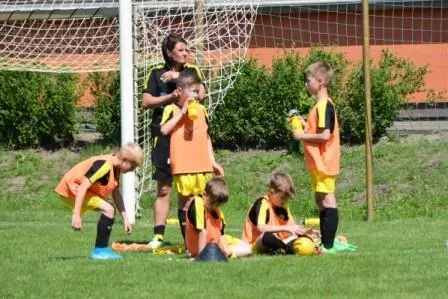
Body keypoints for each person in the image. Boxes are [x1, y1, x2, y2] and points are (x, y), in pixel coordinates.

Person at [142, 33, 205, 249]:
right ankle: (158, 236)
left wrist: (177, 80)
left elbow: (202, 93)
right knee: (164, 188)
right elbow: (146, 102)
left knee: (187, 189)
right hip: (164, 133)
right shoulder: (156, 73)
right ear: (169, 53)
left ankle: (190, 238)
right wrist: (169, 96)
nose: (186, 53)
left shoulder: (192, 72)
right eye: (181, 50)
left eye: (187, 49)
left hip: (188, 136)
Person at [160, 68, 224, 244]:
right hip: (183, 165)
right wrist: (183, 112)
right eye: (192, 91)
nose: (196, 96)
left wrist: (213, 161)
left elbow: (206, 137)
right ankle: (190, 243)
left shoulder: (202, 110)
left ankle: (211, 238)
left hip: (203, 164)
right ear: (180, 91)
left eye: (197, 91)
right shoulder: (171, 109)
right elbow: (164, 129)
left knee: (206, 201)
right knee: (187, 203)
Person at [55, 143, 144, 260]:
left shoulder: (116, 168)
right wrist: (76, 214)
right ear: (125, 160)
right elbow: (82, 187)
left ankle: (101, 249)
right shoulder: (104, 165)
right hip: (72, 189)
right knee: (109, 210)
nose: (132, 170)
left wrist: (125, 218)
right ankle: (100, 251)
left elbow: (116, 193)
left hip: (77, 190)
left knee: (109, 209)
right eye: (133, 167)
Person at [291, 61, 341, 254]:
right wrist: (303, 123)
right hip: (317, 161)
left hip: (324, 161)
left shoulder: (323, 105)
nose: (306, 84)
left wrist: (301, 136)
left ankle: (329, 246)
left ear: (320, 82)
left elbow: (325, 135)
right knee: (320, 199)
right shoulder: (318, 107)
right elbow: (318, 129)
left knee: (327, 200)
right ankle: (326, 242)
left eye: (308, 80)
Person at [242, 172, 315, 255]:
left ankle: (283, 249)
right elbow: (261, 228)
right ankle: (286, 249)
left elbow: (292, 228)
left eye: (286, 199)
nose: (284, 201)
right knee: (266, 236)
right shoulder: (262, 203)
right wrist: (287, 228)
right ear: (271, 192)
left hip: (280, 241)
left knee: (305, 238)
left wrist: (304, 232)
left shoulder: (283, 206)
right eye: (282, 198)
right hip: (256, 244)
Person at [185, 176, 252, 259]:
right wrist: (201, 257)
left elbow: (221, 234)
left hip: (216, 244)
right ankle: (216, 254)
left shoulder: (218, 212)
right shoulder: (198, 204)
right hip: (201, 248)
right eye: (212, 202)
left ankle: (223, 253)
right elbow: (202, 231)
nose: (215, 206)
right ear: (205, 194)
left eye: (218, 204)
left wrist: (226, 250)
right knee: (244, 250)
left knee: (247, 248)